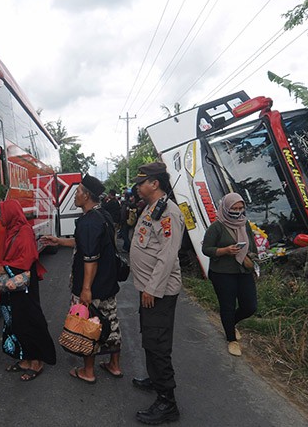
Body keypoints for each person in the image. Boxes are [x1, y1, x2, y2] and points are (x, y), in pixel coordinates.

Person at [42, 174, 123, 384]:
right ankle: (114, 365)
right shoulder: (103, 215)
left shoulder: (88, 222)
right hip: (107, 284)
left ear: (87, 196)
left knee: (89, 326)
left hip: (93, 287)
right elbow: (84, 244)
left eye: (77, 192)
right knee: (110, 322)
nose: (75, 196)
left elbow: (90, 258)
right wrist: (58, 241)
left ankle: (88, 371)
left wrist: (86, 289)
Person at [128, 162, 184, 425]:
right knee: (150, 338)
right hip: (148, 289)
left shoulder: (168, 212)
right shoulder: (152, 208)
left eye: (142, 182)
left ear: (155, 183)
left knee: (157, 343)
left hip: (158, 291)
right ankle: (155, 378)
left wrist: (152, 288)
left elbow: (168, 254)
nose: (138, 186)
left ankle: (167, 402)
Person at [0, 200, 56, 381]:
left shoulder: (25, 231)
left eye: (3, 213)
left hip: (24, 285)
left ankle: (37, 362)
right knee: (17, 322)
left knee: (30, 321)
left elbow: (28, 259)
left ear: (11, 213)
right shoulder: (12, 230)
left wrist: (4, 268)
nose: (1, 217)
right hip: (14, 286)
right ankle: (25, 359)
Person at [201, 192, 258, 357]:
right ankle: (231, 339)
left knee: (250, 306)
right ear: (226, 208)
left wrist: (251, 259)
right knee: (227, 306)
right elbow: (206, 249)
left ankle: (231, 323)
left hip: (243, 270)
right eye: (234, 208)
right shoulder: (217, 227)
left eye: (241, 208)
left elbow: (252, 246)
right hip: (222, 273)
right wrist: (225, 250)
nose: (238, 211)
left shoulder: (244, 224)